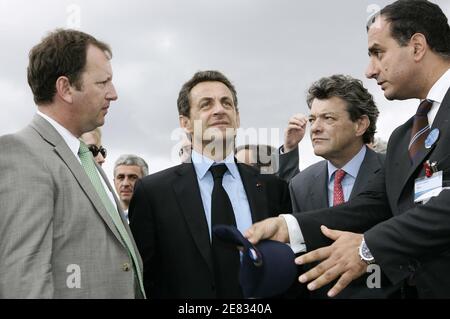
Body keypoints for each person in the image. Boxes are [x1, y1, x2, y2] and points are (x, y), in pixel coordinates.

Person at [246, 0, 450, 299]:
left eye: (378, 53)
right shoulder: (403, 137)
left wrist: (369, 246)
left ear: (417, 46)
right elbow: (370, 208)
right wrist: (289, 226)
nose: (369, 70)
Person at [0, 29, 144, 298]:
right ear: (65, 88)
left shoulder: (85, 157)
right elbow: (24, 282)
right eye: (103, 83)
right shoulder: (22, 155)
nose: (113, 94)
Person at [129, 70, 291, 298]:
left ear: (238, 116)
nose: (219, 110)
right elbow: (144, 277)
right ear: (185, 123)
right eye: (206, 104)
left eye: (227, 103)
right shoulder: (153, 193)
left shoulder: (274, 188)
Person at [289, 74, 395, 298]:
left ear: (360, 125)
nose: (315, 128)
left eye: (328, 118)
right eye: (312, 119)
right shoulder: (299, 184)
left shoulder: (394, 172)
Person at [113, 154, 149, 221]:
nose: (125, 183)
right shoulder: (107, 217)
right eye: (120, 177)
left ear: (145, 181)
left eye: (133, 177)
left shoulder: (157, 216)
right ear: (114, 182)